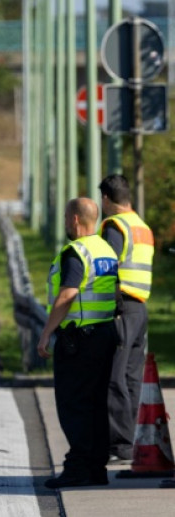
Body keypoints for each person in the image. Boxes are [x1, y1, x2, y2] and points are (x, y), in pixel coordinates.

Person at [37, 197, 120, 489]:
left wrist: (47, 331)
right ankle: (96, 468)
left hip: (80, 339)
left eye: (64, 217)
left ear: (74, 220)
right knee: (96, 404)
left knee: (74, 405)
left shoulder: (76, 251)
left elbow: (67, 294)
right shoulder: (105, 249)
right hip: (104, 334)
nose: (63, 222)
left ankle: (78, 468)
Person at [98, 174, 154, 463]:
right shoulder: (141, 226)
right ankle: (129, 441)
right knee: (132, 377)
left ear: (106, 199)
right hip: (140, 308)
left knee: (113, 375)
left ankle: (119, 444)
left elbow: (108, 268)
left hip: (120, 306)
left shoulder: (115, 226)